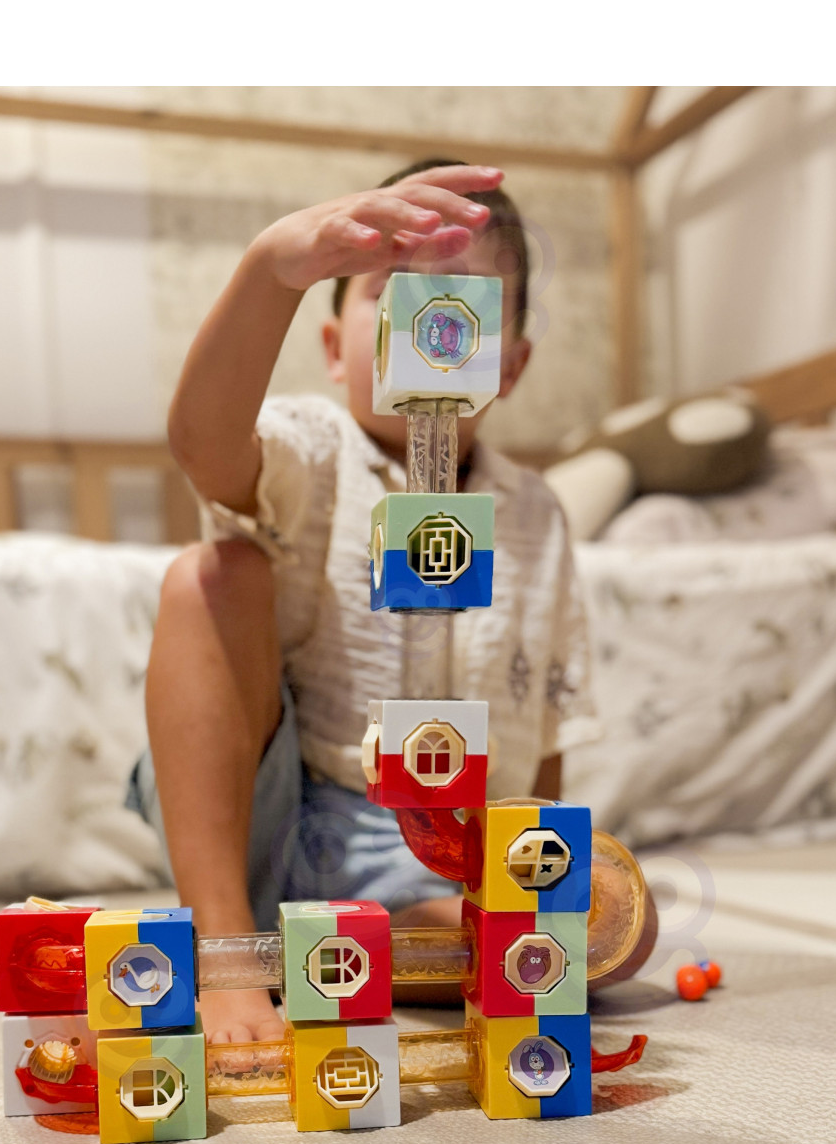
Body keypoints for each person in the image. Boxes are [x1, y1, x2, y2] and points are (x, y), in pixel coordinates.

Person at [128, 160, 600, 1043]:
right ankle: (227, 950)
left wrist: (539, 883)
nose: (434, 322)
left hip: (436, 856)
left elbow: (546, 721)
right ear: (337, 348)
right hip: (277, 813)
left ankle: (333, 950)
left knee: (605, 936)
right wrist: (271, 272)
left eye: (466, 305)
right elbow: (204, 444)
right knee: (212, 576)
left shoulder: (536, 512)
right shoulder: (311, 451)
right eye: (393, 294)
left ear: (511, 364)